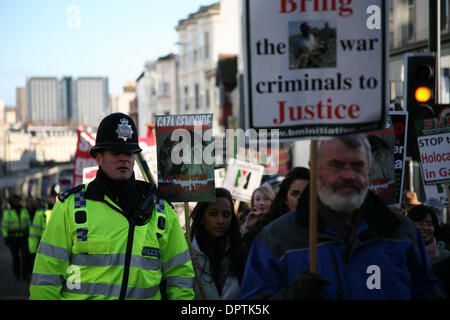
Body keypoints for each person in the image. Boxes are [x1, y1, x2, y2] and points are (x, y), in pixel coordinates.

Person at [239, 134, 445, 300]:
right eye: (336, 165)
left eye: (357, 166)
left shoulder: (401, 232)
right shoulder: (276, 239)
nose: (348, 175)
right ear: (317, 172)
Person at [29, 112, 195, 300]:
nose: (123, 158)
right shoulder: (70, 207)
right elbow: (46, 277)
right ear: (99, 158)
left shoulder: (161, 209)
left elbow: (180, 276)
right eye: (115, 152)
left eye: (129, 153)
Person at [189, 187, 247, 299]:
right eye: (213, 214)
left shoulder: (242, 251)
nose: (220, 221)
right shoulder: (187, 252)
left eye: (226, 215)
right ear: (201, 217)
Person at [243, 167, 310, 254]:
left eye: (307, 193)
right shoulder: (266, 235)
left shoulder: (327, 231)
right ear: (286, 199)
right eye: (295, 194)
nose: (301, 199)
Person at [2, 195, 31, 281]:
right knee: (16, 257)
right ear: (12, 202)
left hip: (23, 237)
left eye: (18, 201)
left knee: (25, 256)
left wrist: (29, 234)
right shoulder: (8, 212)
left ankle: (25, 275)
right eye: (15, 201)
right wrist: (6, 237)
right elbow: (4, 226)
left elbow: (28, 223)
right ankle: (17, 275)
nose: (17, 203)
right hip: (13, 238)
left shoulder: (24, 210)